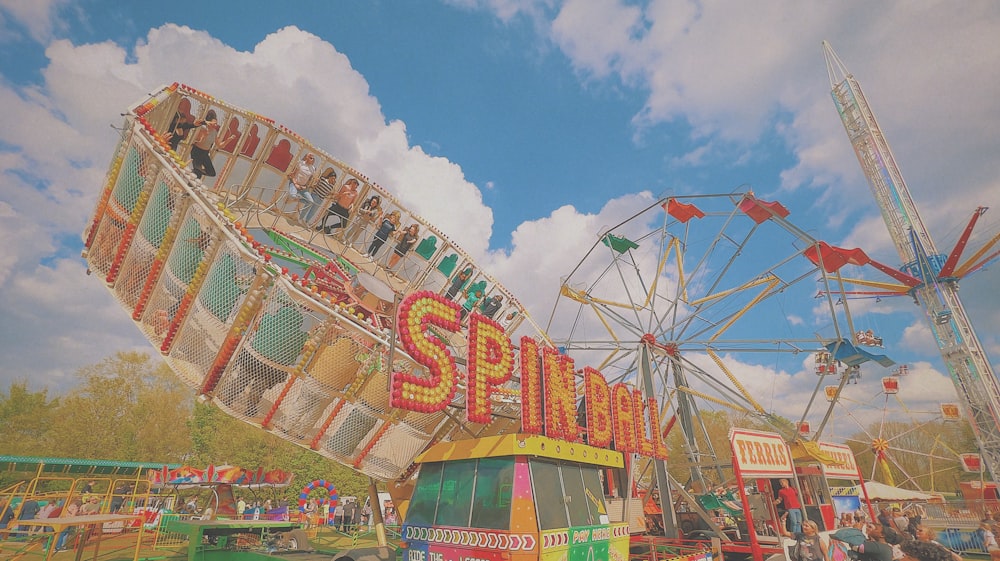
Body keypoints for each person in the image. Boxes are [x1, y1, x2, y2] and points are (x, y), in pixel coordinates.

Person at [190, 109, 225, 179]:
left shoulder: (214, 131)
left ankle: (193, 171)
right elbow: (197, 141)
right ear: (208, 122)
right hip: (197, 151)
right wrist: (204, 135)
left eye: (216, 123)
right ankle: (193, 177)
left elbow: (220, 145)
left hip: (205, 153)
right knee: (198, 174)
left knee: (211, 172)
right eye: (214, 123)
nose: (215, 125)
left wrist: (229, 139)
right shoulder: (202, 128)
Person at [286, 153, 317, 217]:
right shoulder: (300, 163)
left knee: (310, 202)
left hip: (303, 187)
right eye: (311, 158)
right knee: (293, 195)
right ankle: (290, 196)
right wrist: (295, 184)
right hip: (294, 184)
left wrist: (305, 186)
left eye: (313, 158)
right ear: (306, 157)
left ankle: (295, 199)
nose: (312, 159)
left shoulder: (313, 169)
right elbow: (292, 174)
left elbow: (310, 180)